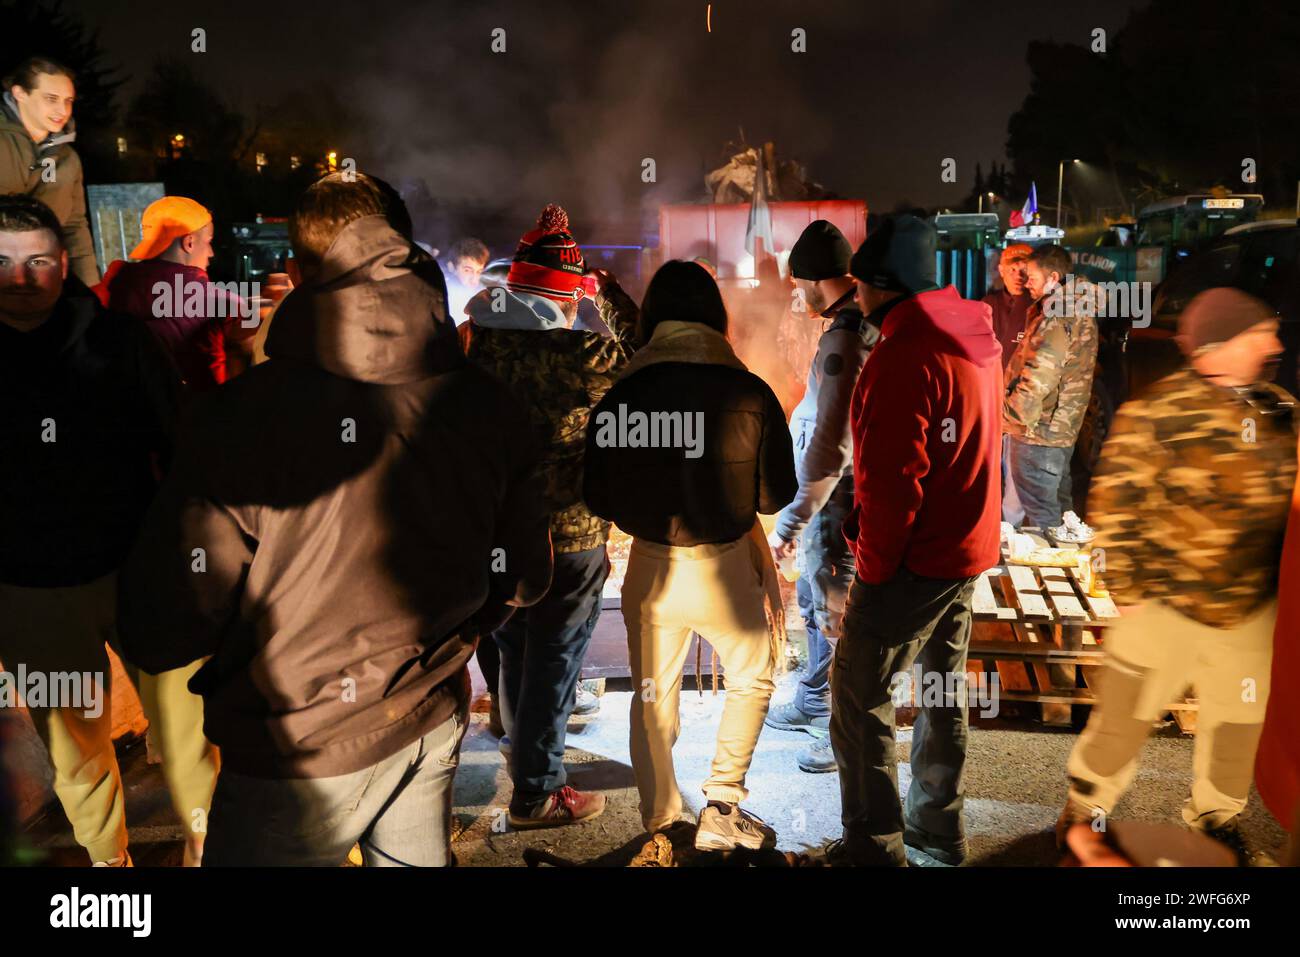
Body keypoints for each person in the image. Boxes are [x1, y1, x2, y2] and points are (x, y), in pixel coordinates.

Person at [117, 173, 553, 866]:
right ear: (404, 250)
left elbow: (167, 621)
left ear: (294, 272)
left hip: (293, 752)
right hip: (428, 715)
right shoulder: (486, 402)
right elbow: (525, 575)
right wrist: (452, 637)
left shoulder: (239, 417)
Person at [0, 194, 216, 867]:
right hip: (31, 588)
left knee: (188, 721)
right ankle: (109, 864)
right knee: (75, 747)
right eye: (3, 262)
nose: (22, 276)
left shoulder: (120, 340)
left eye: (38, 260)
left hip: (140, 568)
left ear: (62, 262)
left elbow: (179, 440)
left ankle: (210, 845)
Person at [1061, 288, 1297, 866]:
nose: (1276, 344)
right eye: (1258, 333)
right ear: (1217, 348)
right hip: (1162, 609)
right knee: (1120, 724)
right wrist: (1125, 593)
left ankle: (1216, 822)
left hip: (1248, 611)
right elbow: (1113, 506)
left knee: (1237, 729)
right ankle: (1082, 820)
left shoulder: (1282, 410)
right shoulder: (1157, 412)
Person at [584, 259, 796, 851]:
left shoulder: (626, 390)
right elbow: (777, 492)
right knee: (753, 677)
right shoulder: (748, 389)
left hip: (651, 570)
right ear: (714, 317)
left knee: (653, 698)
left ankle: (662, 825)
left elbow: (596, 492)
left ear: (653, 318)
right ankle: (723, 805)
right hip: (726, 567)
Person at [828, 215, 1003, 867]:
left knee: (859, 698)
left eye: (862, 286)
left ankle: (873, 849)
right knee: (939, 688)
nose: (856, 298)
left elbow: (894, 484)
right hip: (966, 549)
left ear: (882, 287)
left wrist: (869, 575)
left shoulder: (903, 355)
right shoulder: (975, 333)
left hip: (913, 559)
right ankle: (937, 826)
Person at [460, 204, 639, 829]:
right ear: (569, 296)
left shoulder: (471, 344)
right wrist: (608, 292)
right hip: (571, 535)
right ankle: (537, 792)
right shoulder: (586, 356)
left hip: (494, 534)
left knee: (511, 645)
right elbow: (649, 358)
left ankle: (518, 744)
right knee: (555, 660)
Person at [764, 220, 878, 774]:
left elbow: (832, 442)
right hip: (831, 500)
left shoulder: (846, 336)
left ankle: (840, 729)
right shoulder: (850, 325)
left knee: (836, 612)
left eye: (797, 284)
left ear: (812, 279)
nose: (795, 295)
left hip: (837, 500)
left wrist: (789, 523)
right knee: (815, 604)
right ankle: (814, 696)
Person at [94, 196, 255, 390]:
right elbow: (254, 372)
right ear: (189, 243)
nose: (211, 252)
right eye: (208, 241)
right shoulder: (228, 304)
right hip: (203, 416)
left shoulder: (101, 297)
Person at [1003, 243, 1098, 530]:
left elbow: (1038, 378)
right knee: (1061, 512)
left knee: (1042, 516)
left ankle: (1051, 570)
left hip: (1039, 433)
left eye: (1031, 276)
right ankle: (1069, 569)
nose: (1025, 282)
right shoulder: (1075, 308)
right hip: (1060, 430)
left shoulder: (1056, 317)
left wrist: (1007, 418)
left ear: (1053, 278)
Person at [0, 58, 98, 286]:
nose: (62, 110)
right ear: (19, 93)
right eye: (51, 99)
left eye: (68, 101)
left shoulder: (68, 159)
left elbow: (75, 227)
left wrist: (91, 288)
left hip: (45, 285)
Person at [983, 244, 1033, 523]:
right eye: (1011, 268)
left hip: (1020, 405)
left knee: (1015, 471)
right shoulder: (987, 305)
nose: (1017, 274)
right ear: (1001, 270)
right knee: (987, 465)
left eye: (1022, 268)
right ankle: (987, 523)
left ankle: (1010, 526)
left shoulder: (1037, 307)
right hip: (989, 401)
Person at [442, 236, 489, 323]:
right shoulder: (441, 297)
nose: (474, 279)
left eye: (479, 272)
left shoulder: (484, 295)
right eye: (467, 270)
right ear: (451, 267)